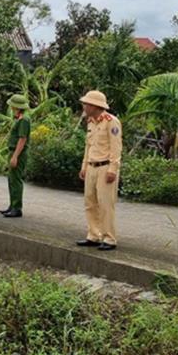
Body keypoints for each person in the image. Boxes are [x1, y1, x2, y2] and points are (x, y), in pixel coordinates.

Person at [76, 90, 122, 251]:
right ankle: (94, 235)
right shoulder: (91, 122)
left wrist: (113, 169)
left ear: (95, 106)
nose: (84, 106)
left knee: (105, 204)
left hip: (105, 167)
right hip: (91, 166)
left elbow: (116, 148)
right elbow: (88, 147)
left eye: (87, 104)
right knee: (90, 202)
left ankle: (109, 238)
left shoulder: (111, 122)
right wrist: (84, 166)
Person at [0, 94, 31, 218]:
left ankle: (17, 208)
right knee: (11, 180)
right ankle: (12, 205)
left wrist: (15, 156)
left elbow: (22, 139)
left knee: (16, 180)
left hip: (19, 153)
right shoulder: (20, 118)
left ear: (16, 107)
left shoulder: (24, 120)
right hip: (13, 151)